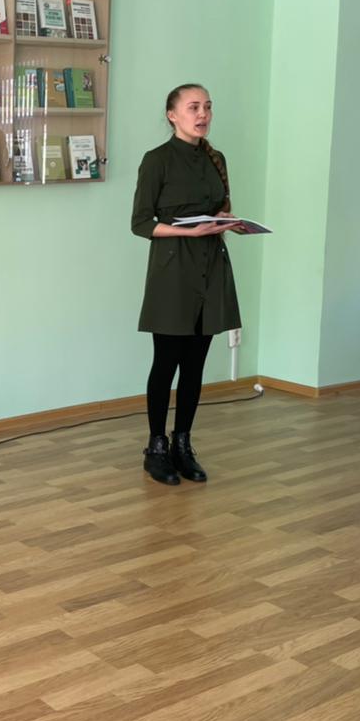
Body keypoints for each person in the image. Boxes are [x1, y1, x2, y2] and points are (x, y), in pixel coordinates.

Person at [130, 83, 242, 485]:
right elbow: (140, 223)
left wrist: (228, 221)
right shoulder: (156, 160)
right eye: (194, 107)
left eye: (208, 107)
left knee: (195, 365)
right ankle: (156, 448)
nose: (203, 114)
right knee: (166, 363)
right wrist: (188, 232)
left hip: (211, 268)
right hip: (173, 271)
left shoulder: (216, 158)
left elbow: (219, 208)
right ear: (172, 115)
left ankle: (183, 444)